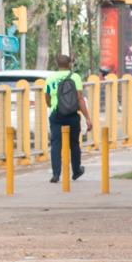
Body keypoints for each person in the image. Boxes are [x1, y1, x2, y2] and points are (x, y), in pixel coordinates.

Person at [43, 54, 92, 184]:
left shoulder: (50, 78)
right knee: (74, 144)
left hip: (56, 114)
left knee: (55, 145)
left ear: (57, 64)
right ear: (69, 64)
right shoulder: (75, 77)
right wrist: (87, 118)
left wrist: (51, 105)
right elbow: (80, 98)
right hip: (72, 114)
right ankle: (76, 171)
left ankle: (56, 174)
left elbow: (46, 97)